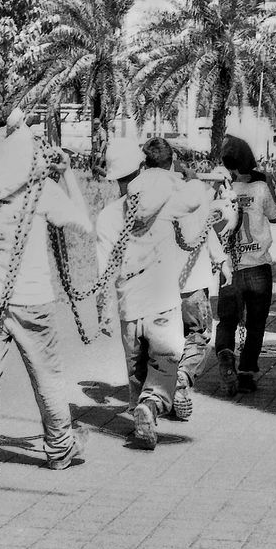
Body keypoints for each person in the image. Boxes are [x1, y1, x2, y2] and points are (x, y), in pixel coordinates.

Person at [0, 114, 92, 487]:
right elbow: (82, 224)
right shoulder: (41, 191)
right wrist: (68, 173)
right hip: (34, 300)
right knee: (47, 377)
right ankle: (60, 448)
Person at [96, 142, 202, 449]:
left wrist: (102, 308)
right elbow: (198, 196)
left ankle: (138, 418)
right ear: (143, 170)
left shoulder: (107, 216)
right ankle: (150, 408)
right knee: (164, 370)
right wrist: (179, 179)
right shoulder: (170, 201)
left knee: (136, 373)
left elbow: (104, 269)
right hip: (163, 305)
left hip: (129, 308)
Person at [140, 137, 233, 421]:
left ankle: (154, 395)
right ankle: (181, 379)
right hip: (192, 284)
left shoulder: (141, 194)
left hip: (157, 285)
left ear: (146, 164)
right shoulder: (193, 193)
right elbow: (209, 228)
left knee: (157, 341)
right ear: (173, 163)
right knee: (196, 336)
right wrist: (221, 262)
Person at [214, 136, 276, 395]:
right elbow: (274, 216)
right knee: (256, 323)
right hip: (258, 267)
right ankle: (246, 372)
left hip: (230, 267)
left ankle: (226, 355)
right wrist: (268, 183)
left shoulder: (222, 192)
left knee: (227, 320)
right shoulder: (261, 189)